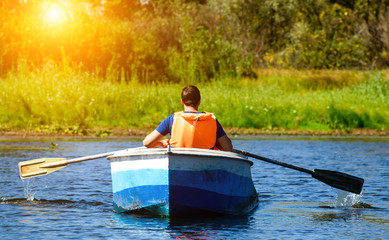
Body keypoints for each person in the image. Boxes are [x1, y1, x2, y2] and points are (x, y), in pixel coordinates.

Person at [143, 85, 233, 151]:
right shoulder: (212, 120)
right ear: (199, 102)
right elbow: (228, 147)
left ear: (182, 102)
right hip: (205, 163)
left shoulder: (172, 120)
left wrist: (161, 143)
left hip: (177, 161)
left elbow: (147, 143)